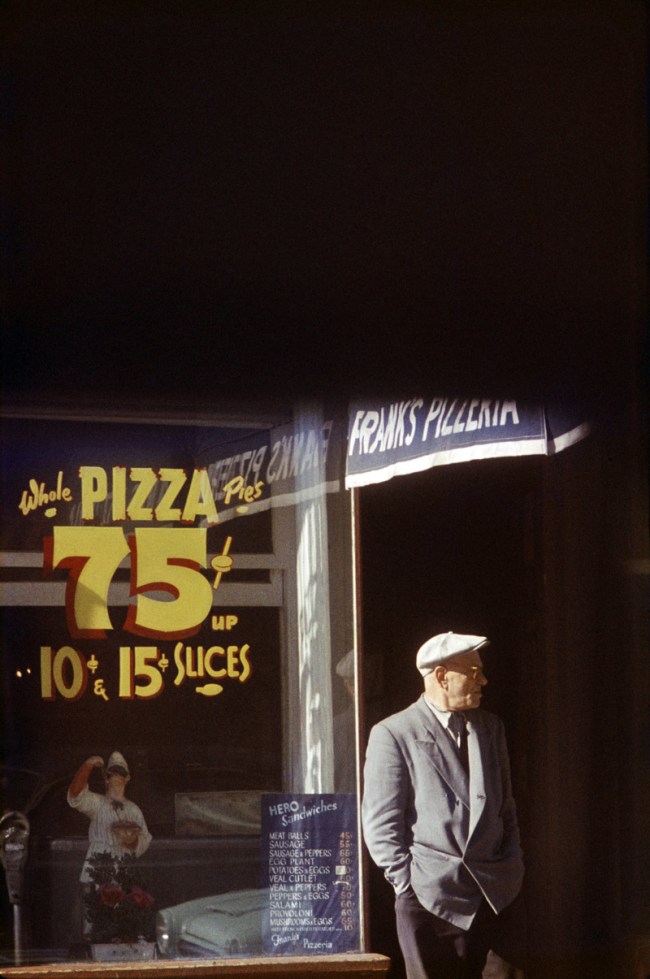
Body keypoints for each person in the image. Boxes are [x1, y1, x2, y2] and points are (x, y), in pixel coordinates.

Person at [362, 632, 524, 979]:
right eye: (473, 671)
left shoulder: (490, 728)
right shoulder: (393, 733)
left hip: (494, 895)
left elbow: (505, 808)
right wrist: (409, 884)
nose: (484, 679)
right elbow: (380, 826)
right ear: (441, 676)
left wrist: (512, 864)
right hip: (430, 901)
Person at [67, 750, 152, 885]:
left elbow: (145, 838)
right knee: (94, 903)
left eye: (122, 772)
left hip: (123, 869)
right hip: (97, 868)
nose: (118, 775)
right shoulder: (97, 803)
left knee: (123, 902)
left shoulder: (134, 809)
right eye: (114, 772)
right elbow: (75, 795)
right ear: (106, 778)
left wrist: (132, 841)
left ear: (127, 778)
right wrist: (88, 764)